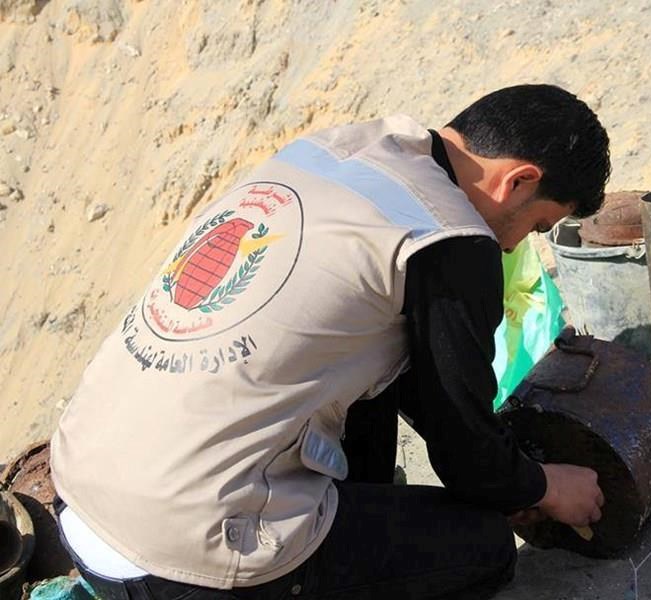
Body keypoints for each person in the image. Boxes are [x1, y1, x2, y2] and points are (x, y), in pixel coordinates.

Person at [50, 83, 611, 599]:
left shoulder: (328, 154)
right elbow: (465, 452)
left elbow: (420, 386)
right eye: (536, 226)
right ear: (518, 181)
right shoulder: (451, 238)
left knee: (371, 365)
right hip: (187, 559)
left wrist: (505, 474)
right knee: (483, 547)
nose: (515, 246)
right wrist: (542, 487)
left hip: (80, 501)